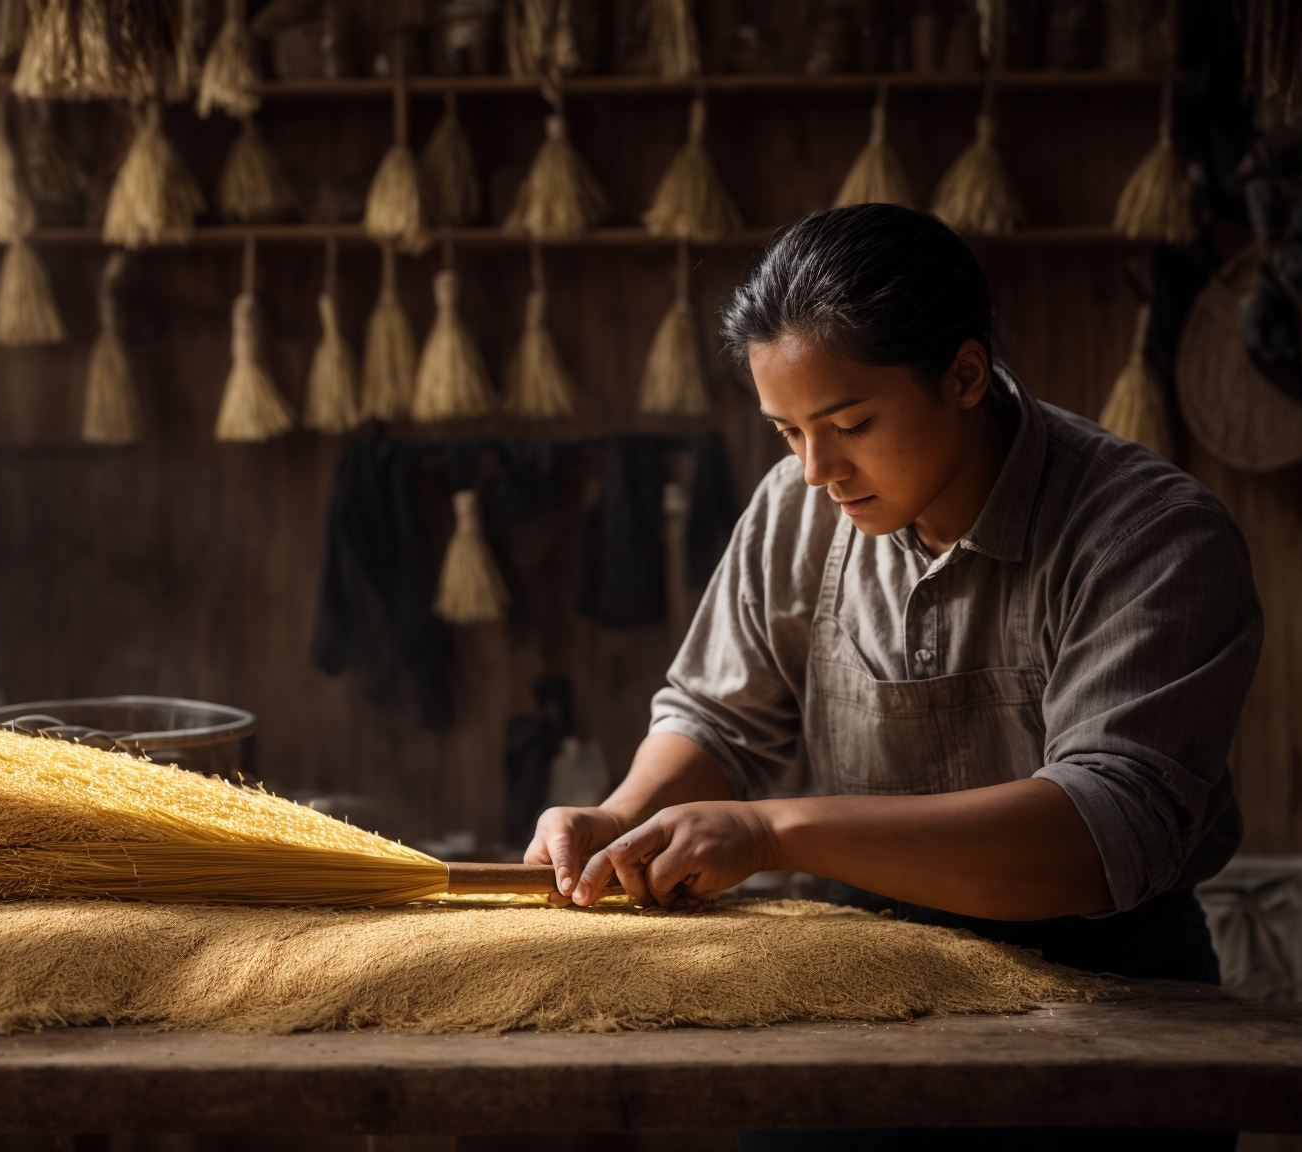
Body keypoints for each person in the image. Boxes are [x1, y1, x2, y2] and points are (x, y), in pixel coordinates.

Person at [525, 204, 1261, 1151]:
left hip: (1111, 994)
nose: (817, 470)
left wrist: (768, 830)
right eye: (787, 431)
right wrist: (624, 818)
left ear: (963, 375)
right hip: (859, 979)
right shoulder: (796, 511)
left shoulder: (1148, 536)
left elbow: (1104, 829)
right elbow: (717, 720)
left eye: (850, 423)